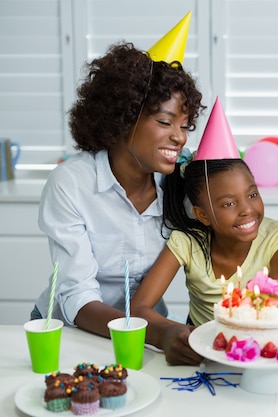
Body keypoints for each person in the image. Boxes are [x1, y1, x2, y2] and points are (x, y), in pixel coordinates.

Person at [32, 14, 207, 361]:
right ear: (124, 117)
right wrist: (158, 332)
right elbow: (78, 297)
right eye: (165, 121)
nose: (180, 136)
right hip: (75, 331)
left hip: (151, 331)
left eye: (185, 125)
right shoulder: (71, 184)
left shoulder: (179, 183)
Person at [131, 97, 278, 364]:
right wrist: (171, 332)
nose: (246, 210)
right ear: (202, 215)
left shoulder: (275, 238)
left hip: (262, 354)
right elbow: (139, 307)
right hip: (202, 353)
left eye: (252, 195)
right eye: (229, 203)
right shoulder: (187, 242)